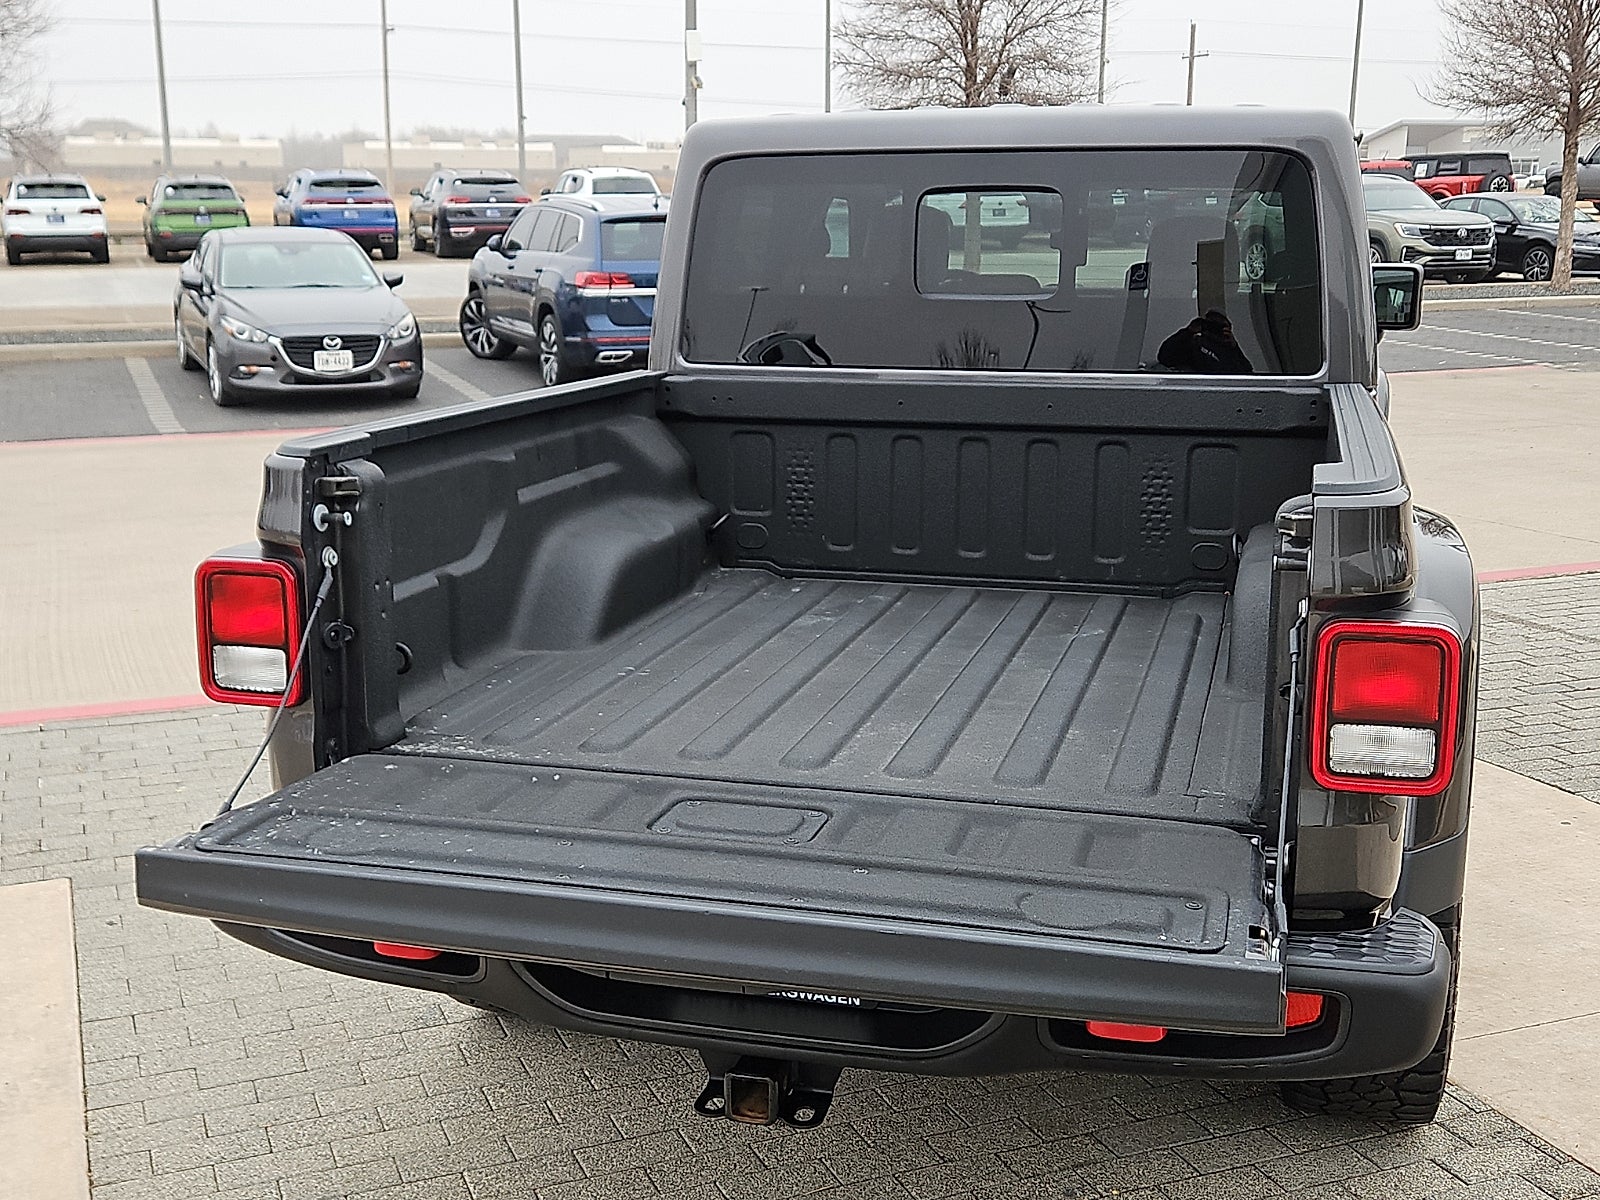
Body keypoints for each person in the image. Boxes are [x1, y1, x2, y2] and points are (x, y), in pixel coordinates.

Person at [1157, 309, 1254, 374]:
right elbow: (1165, 357)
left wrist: (1234, 347)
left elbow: (1247, 375)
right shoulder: (1195, 344)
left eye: (1219, 326)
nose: (1214, 328)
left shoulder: (1230, 352)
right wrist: (1187, 332)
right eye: (1211, 323)